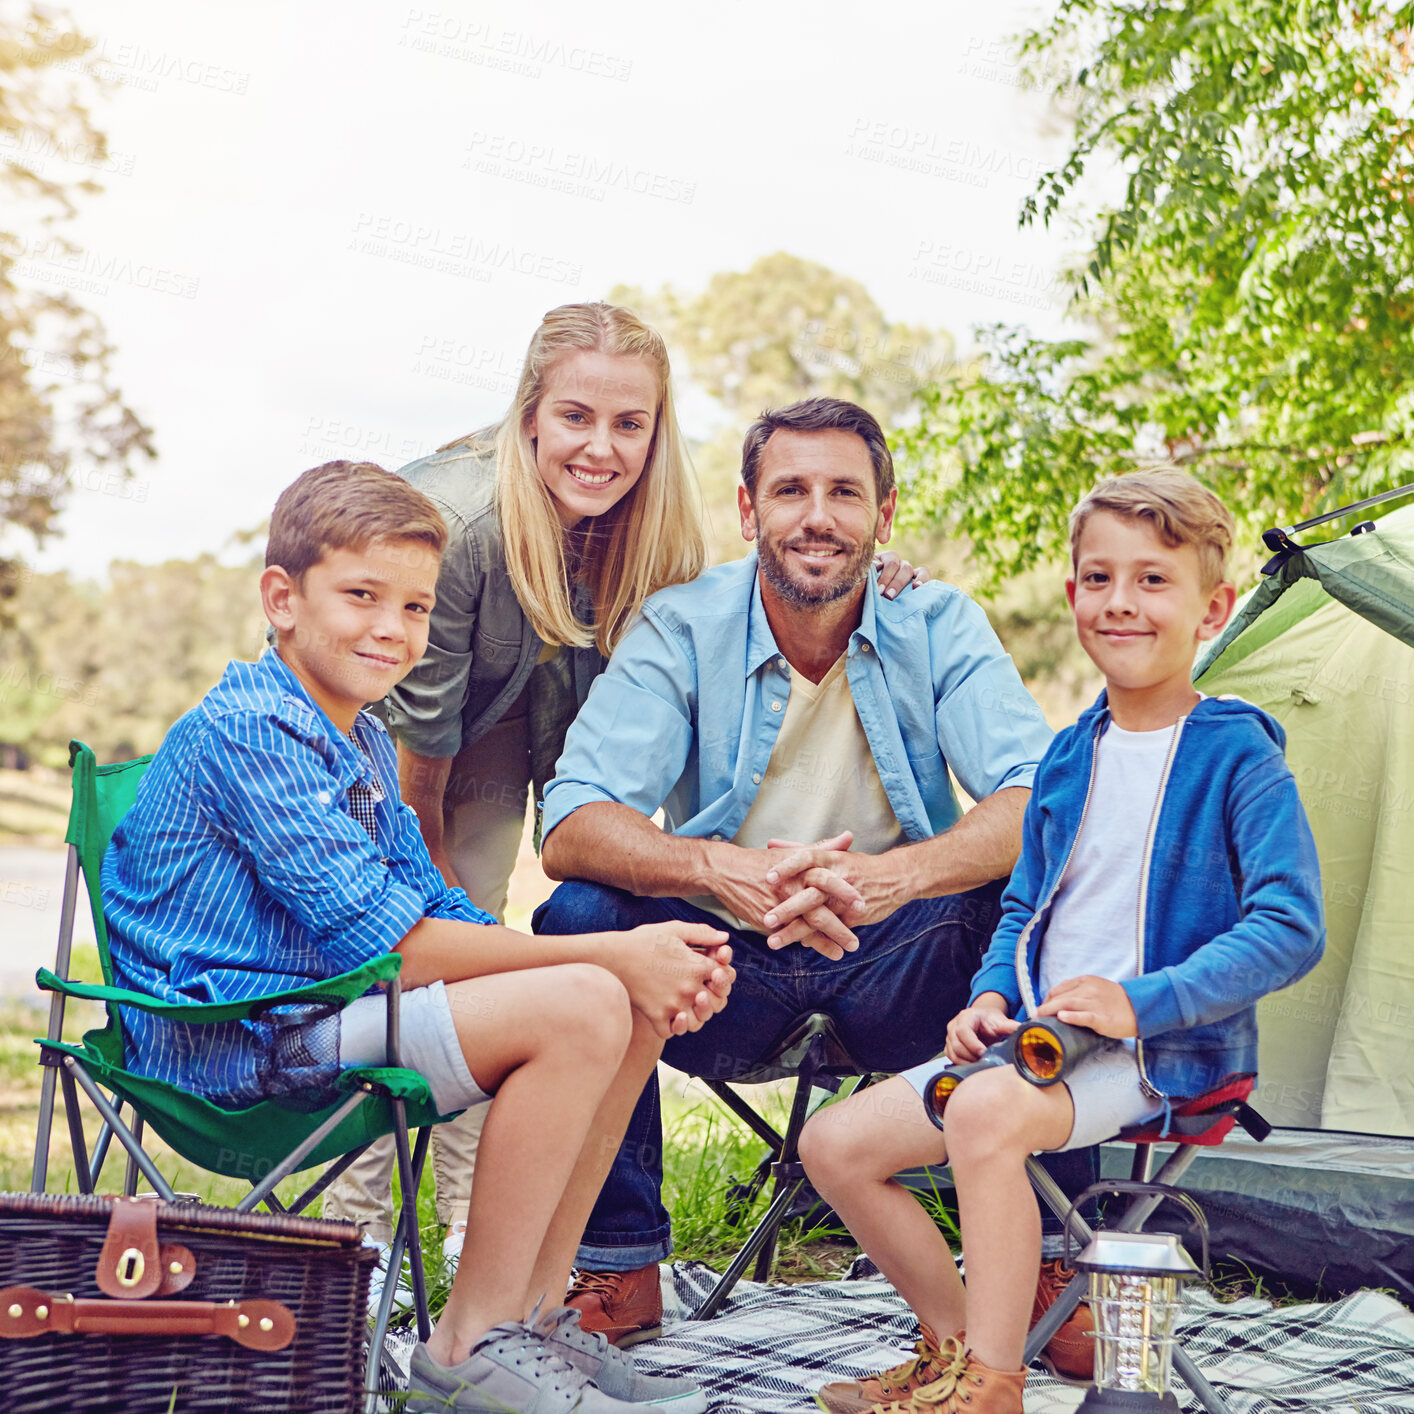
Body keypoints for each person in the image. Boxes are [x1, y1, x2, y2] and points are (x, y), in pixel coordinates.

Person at [103, 460, 739, 1413]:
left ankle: (526, 1319)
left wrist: (637, 965)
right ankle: (464, 1354)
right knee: (586, 996)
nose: (392, 630)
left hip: (323, 1015)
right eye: (362, 597)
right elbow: (391, 946)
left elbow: (432, 900)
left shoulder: (354, 736)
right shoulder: (251, 732)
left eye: (414, 607)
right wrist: (607, 950)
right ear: (281, 598)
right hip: (237, 1042)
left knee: (627, 1002)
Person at [328, 303, 923, 1264]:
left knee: (494, 964)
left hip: (512, 718)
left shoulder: (648, 529)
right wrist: (434, 909)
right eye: (575, 418)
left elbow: (749, 597)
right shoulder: (461, 524)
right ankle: (353, 1246)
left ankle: (479, 1243)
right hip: (385, 738)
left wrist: (866, 570)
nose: (601, 448)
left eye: (629, 425)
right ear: (529, 415)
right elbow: (412, 755)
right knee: (413, 959)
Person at [536, 396, 1094, 1356]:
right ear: (749, 513)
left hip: (899, 957)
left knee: (1054, 908)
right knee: (583, 917)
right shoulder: (681, 627)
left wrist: (895, 879)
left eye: (845, 492)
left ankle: (1053, 1263)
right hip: (721, 970)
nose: (817, 516)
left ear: (884, 514)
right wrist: (724, 870)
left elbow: (1041, 797)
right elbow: (572, 820)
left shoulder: (935, 618)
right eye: (790, 490)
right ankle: (620, 1264)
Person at [798, 469, 1326, 1414]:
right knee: (834, 1143)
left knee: (983, 1117)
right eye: (1097, 578)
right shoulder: (1067, 757)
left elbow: (1290, 927)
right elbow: (1022, 910)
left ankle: (995, 1387)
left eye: (1152, 580)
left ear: (1214, 609)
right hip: (1033, 1042)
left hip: (1159, 1055)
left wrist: (1141, 1000)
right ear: (1075, 591)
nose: (1120, 602)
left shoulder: (1237, 756)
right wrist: (991, 994)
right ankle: (957, 1347)